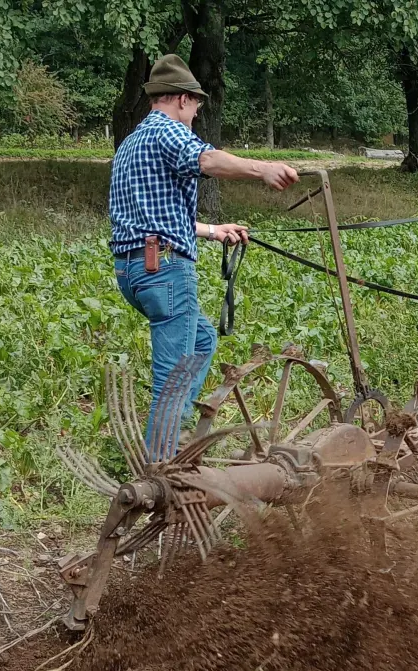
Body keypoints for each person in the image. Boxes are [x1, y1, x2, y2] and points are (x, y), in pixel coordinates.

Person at [109, 53, 299, 453]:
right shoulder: (168, 131)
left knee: (202, 340)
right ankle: (161, 467)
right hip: (166, 271)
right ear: (181, 99)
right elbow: (209, 160)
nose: (195, 114)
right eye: (195, 105)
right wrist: (262, 169)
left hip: (134, 271)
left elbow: (152, 214)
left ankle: (173, 428)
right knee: (173, 374)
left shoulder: (130, 143)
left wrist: (212, 230)